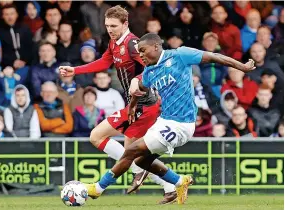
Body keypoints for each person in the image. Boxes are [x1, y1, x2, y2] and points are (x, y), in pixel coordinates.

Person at [83, 33, 255, 204]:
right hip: (164, 121)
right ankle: (180, 182)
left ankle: (98, 188)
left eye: (143, 50)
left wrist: (242, 67)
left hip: (182, 124)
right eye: (139, 52)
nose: (141, 55)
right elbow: (139, 88)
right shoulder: (150, 71)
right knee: (140, 160)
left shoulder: (180, 55)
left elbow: (214, 56)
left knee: (131, 151)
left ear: (156, 46)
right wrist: (134, 104)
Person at [59, 5, 177, 204]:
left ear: (126, 24)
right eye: (107, 26)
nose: (110, 30)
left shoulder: (133, 44)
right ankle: (170, 184)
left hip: (145, 105)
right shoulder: (115, 43)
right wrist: (75, 71)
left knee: (108, 142)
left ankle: (106, 185)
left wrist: (138, 79)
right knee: (130, 155)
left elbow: (152, 66)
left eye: (114, 26)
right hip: (135, 105)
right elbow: (105, 63)